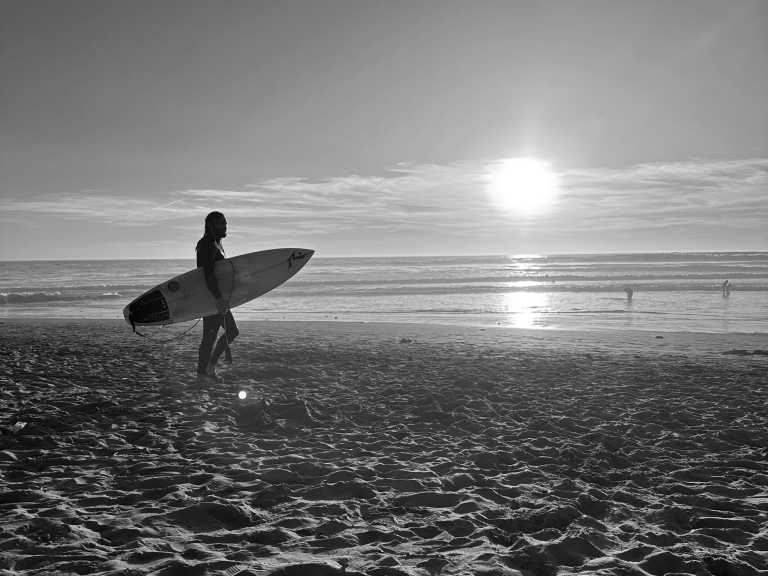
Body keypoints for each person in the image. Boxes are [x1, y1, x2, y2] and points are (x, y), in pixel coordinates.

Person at [196, 211, 239, 383]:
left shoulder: (214, 244)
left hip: (214, 297)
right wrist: (218, 299)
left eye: (225, 223)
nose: (225, 226)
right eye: (221, 224)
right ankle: (206, 370)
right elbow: (207, 275)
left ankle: (205, 371)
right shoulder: (207, 245)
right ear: (211, 226)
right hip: (212, 297)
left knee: (217, 334)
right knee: (222, 333)